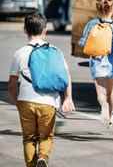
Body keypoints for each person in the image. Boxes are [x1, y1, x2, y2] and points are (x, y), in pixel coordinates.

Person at [8, 13, 75, 167]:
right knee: (46, 136)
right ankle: (43, 157)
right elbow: (66, 76)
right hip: (48, 102)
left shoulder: (19, 53)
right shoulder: (55, 51)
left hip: (26, 101)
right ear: (45, 30)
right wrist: (68, 97)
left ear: (25, 30)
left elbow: (11, 84)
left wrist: (17, 101)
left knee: (28, 138)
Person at [79, 0, 113, 127]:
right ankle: (110, 118)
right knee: (111, 92)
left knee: (100, 93)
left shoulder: (92, 23)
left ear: (98, 8)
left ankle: (103, 107)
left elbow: (83, 42)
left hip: (97, 60)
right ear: (112, 9)